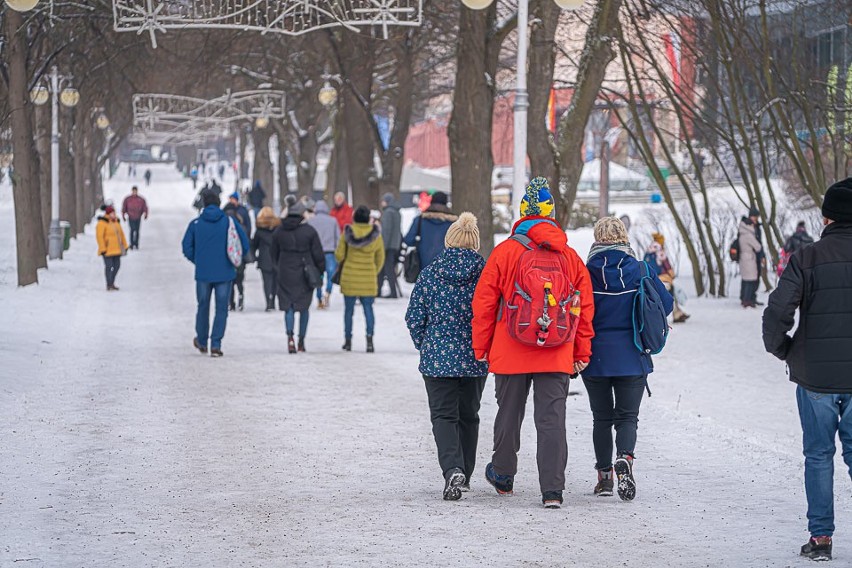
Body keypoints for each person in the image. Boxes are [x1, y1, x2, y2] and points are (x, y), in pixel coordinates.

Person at [472, 177, 595, 509]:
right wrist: (580, 351)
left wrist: (481, 346)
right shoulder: (569, 256)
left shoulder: (505, 252)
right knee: (552, 419)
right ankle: (552, 490)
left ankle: (503, 475)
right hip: (556, 350)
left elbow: (484, 304)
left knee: (509, 413)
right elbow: (583, 308)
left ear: (523, 212)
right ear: (551, 213)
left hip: (510, 348)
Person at [762, 177, 852, 562]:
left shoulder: (807, 258)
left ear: (827, 217)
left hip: (815, 375)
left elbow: (777, 313)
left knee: (818, 456)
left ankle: (820, 539)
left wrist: (785, 350)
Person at [583, 218, 673, 501]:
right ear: (624, 237)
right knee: (627, 417)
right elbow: (666, 305)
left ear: (597, 239)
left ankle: (605, 476)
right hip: (633, 355)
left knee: (601, 418)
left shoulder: (585, 274)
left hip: (595, 357)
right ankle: (625, 458)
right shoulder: (642, 269)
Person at [406, 212, 488, 501]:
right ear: (475, 243)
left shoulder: (430, 273)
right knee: (469, 415)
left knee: (443, 415)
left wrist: (425, 344)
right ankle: (465, 470)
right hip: (475, 357)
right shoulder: (486, 275)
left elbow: (414, 317)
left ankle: (452, 468)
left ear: (449, 241)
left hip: (437, 358)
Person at [182, 190, 249, 357]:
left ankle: (202, 341)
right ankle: (216, 344)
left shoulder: (196, 224)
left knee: (203, 306)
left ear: (203, 204)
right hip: (225, 273)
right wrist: (234, 261)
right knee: (221, 309)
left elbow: (186, 247)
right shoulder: (229, 222)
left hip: (203, 273)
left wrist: (198, 260)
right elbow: (244, 243)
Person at [270, 200, 325, 354]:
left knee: (289, 306)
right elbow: (318, 254)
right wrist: (320, 270)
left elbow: (273, 253)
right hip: (305, 271)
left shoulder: (279, 231)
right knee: (304, 307)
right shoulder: (309, 231)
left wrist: (278, 267)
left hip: (285, 270)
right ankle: (301, 340)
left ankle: (290, 337)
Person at [335, 205, 385, 353]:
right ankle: (369, 342)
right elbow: (380, 258)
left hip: (350, 278)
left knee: (348, 311)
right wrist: (373, 271)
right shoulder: (376, 235)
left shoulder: (347, 233)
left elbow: (339, 255)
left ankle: (348, 341)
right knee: (368, 310)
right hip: (368, 278)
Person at [403, 191, 458, 270]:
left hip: (423, 268)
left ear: (431, 202)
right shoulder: (454, 224)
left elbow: (408, 240)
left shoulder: (420, 220)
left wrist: (420, 243)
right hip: (446, 269)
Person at [644, 233, 689, 322]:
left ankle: (678, 313)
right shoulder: (660, 251)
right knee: (670, 295)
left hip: (650, 280)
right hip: (663, 279)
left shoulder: (648, 252)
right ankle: (676, 314)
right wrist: (671, 274)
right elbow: (667, 265)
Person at [307, 200, 341, 309]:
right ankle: (328, 293)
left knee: (318, 275)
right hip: (330, 252)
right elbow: (338, 238)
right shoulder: (333, 221)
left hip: (315, 253)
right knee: (330, 275)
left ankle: (319, 297)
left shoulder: (311, 221)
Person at [223, 192, 252, 311]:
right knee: (239, 279)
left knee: (230, 280)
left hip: (228, 256)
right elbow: (248, 229)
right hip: (240, 256)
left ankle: (231, 301)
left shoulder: (225, 218)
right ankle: (239, 296)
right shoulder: (241, 223)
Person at [252, 207, 281, 311]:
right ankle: (273, 300)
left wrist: (253, 257)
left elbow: (254, 245)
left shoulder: (259, 231)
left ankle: (268, 301)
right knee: (275, 281)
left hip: (264, 258)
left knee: (267, 281)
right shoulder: (279, 229)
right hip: (277, 258)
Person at [96, 205, 128, 291]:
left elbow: (121, 235)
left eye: (114, 213)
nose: (114, 214)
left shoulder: (116, 222)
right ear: (108, 214)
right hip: (107, 250)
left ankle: (112, 282)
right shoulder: (102, 223)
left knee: (117, 266)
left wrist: (125, 245)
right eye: (112, 213)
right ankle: (109, 284)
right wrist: (102, 248)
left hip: (117, 249)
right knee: (109, 267)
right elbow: (100, 237)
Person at [378, 192, 402, 298]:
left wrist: (382, 246)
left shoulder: (388, 213)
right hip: (394, 244)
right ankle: (379, 289)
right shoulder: (397, 212)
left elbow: (386, 231)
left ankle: (393, 292)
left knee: (388, 268)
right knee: (385, 268)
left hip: (387, 246)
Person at [738, 207, 763, 308]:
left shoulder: (742, 231)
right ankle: (747, 300)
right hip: (749, 258)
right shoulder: (748, 234)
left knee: (747, 279)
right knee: (750, 280)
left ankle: (747, 298)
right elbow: (757, 246)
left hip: (745, 258)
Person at [121, 186, 149, 250]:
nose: (134, 192)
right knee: (132, 230)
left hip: (138, 217)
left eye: (135, 191)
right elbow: (124, 207)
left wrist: (145, 214)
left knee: (137, 230)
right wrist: (123, 215)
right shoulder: (128, 199)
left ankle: (136, 244)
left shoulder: (141, 199)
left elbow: (145, 207)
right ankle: (131, 244)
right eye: (133, 191)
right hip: (130, 217)